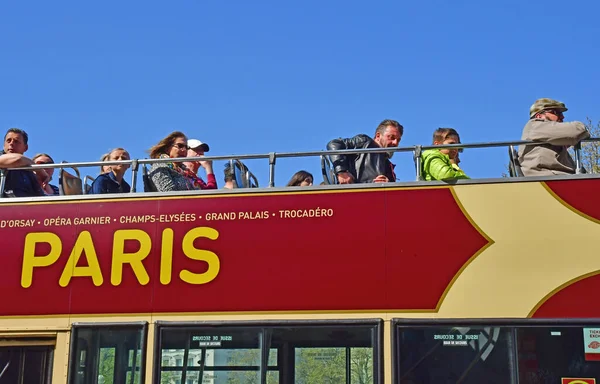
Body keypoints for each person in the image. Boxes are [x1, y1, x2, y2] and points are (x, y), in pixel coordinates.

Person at [518, 98, 590, 176]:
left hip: (557, 178)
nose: (562, 117)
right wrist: (581, 129)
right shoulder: (535, 125)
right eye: (556, 112)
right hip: (547, 178)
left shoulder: (544, 134)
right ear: (539, 116)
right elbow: (577, 131)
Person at [326, 119, 402, 184]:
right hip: (353, 195)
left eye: (398, 140)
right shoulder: (364, 142)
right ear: (378, 136)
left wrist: (387, 183)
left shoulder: (387, 164)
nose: (395, 143)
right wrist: (342, 171)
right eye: (391, 137)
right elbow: (334, 144)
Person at [0, 128, 45, 197]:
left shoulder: (29, 170)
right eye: (8, 141)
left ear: (25, 147)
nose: (11, 143)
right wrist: (39, 170)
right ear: (4, 145)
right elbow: (18, 159)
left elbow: (39, 195)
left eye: (16, 141)